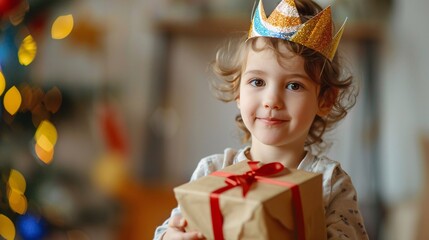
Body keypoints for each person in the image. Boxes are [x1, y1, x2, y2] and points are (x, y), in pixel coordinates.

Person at [154, 0, 368, 239]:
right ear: (238, 91)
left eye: (293, 85)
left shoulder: (330, 183)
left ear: (325, 100)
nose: (271, 100)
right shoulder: (213, 171)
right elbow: (168, 229)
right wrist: (170, 236)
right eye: (257, 82)